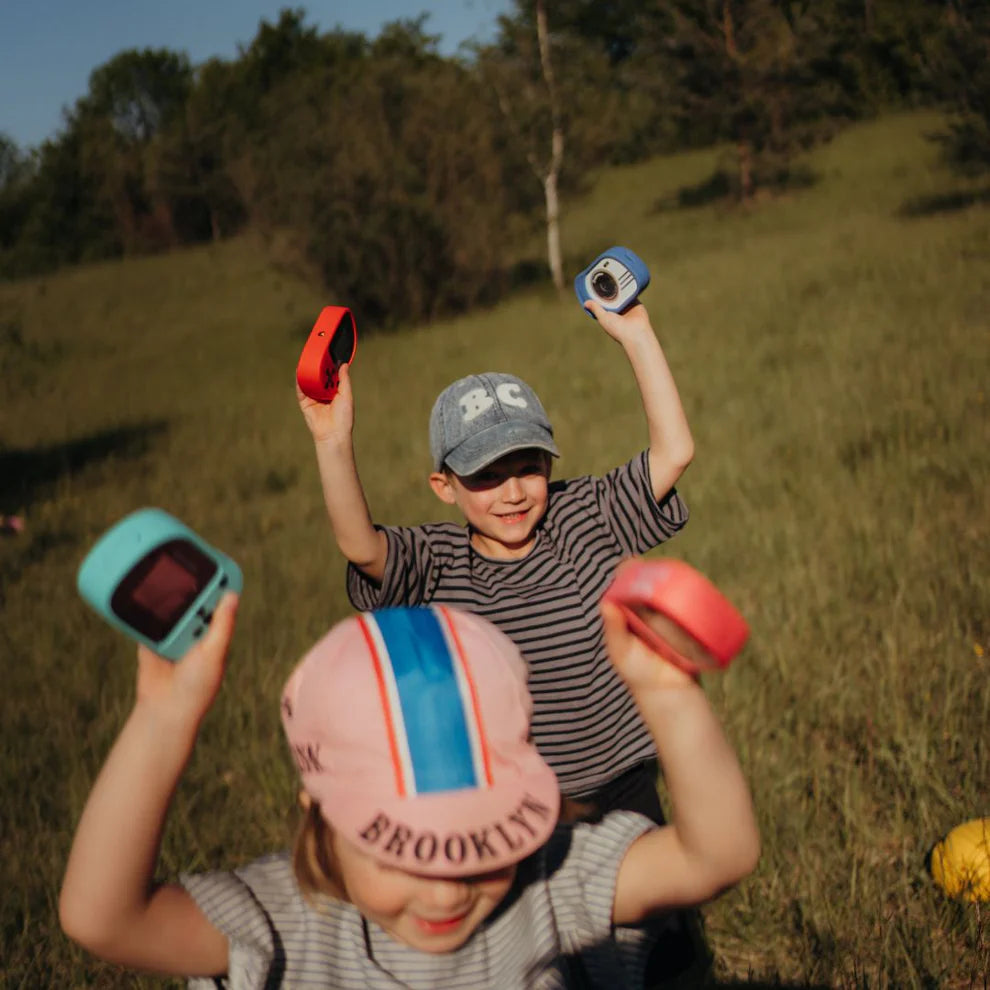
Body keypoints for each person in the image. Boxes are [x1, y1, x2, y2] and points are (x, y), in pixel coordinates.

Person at [59, 578, 760, 988]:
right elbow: (103, 918)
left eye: (481, 843)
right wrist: (162, 716)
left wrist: (667, 695)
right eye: (402, 851)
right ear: (319, 811)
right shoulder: (280, 924)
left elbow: (717, 855)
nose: (447, 889)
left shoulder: (552, 882)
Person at [297, 298, 694, 822]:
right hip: (522, 808)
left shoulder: (583, 513)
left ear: (550, 463)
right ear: (444, 487)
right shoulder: (438, 561)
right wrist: (332, 440)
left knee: (656, 905)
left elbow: (674, 453)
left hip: (628, 788)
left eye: (528, 468)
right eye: (485, 476)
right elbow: (360, 545)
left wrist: (638, 336)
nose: (512, 492)